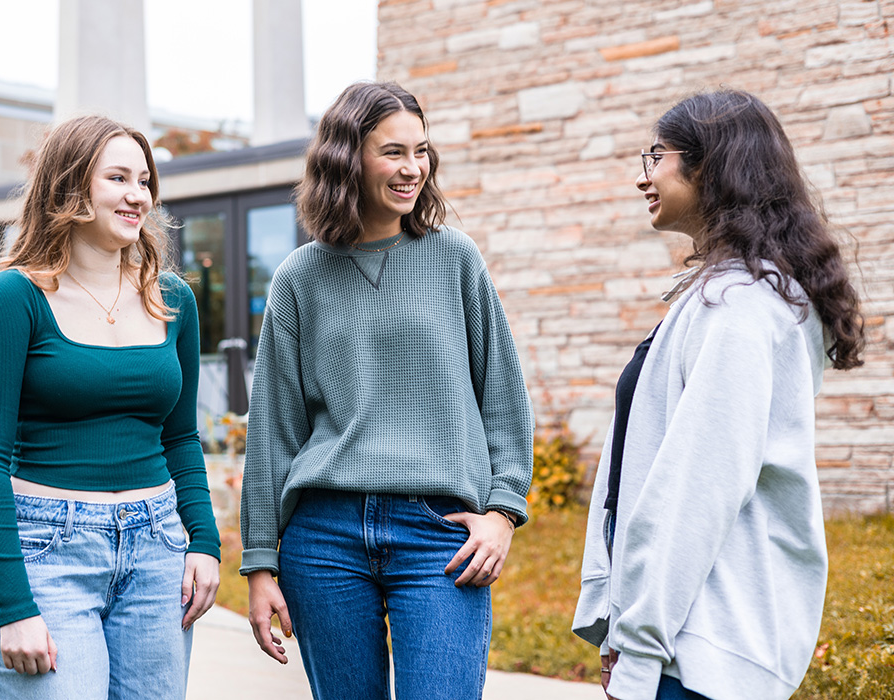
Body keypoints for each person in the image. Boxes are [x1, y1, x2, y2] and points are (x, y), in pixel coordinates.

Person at [239, 81, 535, 699]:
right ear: (348, 159)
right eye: (393, 152)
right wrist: (261, 561)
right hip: (324, 540)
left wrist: (504, 512)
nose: (412, 170)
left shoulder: (454, 258)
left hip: (438, 534)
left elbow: (503, 398)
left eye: (421, 152)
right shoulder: (300, 277)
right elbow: (273, 429)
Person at [572, 90, 866, 700]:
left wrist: (642, 639)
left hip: (701, 651)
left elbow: (696, 489)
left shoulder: (742, 309)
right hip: (684, 638)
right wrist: (618, 621)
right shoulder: (726, 297)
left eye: (656, 156)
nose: (641, 176)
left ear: (708, 166)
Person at [0, 114, 220, 698]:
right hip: (47, 551)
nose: (138, 196)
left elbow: (181, 437)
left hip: (157, 548)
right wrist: (16, 604)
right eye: (119, 178)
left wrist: (203, 540)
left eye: (146, 181)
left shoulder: (172, 299)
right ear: (71, 186)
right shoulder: (15, 297)